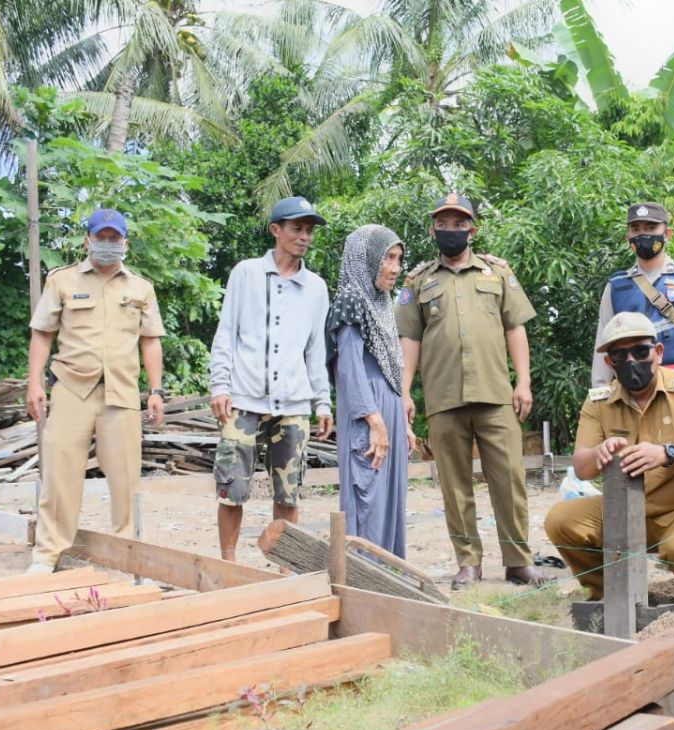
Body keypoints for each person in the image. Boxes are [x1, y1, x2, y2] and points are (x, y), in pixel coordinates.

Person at [396, 192, 549, 588]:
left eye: (458, 224)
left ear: (472, 229)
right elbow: (409, 339)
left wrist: (524, 381)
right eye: (443, 224)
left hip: (496, 394)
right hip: (443, 396)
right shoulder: (418, 281)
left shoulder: (497, 273)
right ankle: (469, 562)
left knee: (510, 480)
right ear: (433, 230)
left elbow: (516, 327)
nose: (450, 231)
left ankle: (518, 561)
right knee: (454, 484)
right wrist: (404, 392)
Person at [548, 312, 674, 623]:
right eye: (619, 354)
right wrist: (600, 453)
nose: (631, 360)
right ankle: (608, 594)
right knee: (561, 520)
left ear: (658, 353)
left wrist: (666, 453)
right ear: (609, 363)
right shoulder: (598, 403)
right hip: (626, 511)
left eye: (640, 351)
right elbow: (581, 466)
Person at [25, 209, 166, 573]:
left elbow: (151, 342)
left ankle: (126, 552)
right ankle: (47, 553)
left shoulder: (141, 288)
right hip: (72, 388)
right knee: (60, 474)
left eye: (114, 238)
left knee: (126, 479)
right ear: (87, 240)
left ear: (125, 243)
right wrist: (35, 382)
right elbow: (42, 333)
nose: (107, 244)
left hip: (121, 392)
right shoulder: (62, 281)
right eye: (100, 238)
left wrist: (156, 390)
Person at [209, 196, 333, 562]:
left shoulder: (316, 287)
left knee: (289, 492)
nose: (304, 237)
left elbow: (315, 350)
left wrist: (322, 401)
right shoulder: (246, 273)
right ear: (276, 230)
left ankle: (285, 567)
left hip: (293, 403)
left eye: (309, 230)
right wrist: (220, 385)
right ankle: (229, 564)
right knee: (232, 488)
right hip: (244, 399)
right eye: (297, 228)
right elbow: (226, 333)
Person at [325, 224, 412, 558]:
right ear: (367, 259)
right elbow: (348, 367)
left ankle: (390, 575)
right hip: (367, 413)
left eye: (399, 259)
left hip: (387, 410)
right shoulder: (350, 299)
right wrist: (374, 421)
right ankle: (366, 579)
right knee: (369, 497)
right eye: (388, 258)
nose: (395, 268)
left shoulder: (383, 303)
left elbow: (393, 367)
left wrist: (401, 420)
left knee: (391, 498)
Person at [591, 201, 674, 390]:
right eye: (636, 229)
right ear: (628, 237)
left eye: (651, 227)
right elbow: (603, 345)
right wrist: (600, 392)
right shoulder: (616, 287)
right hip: (631, 391)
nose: (643, 234)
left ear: (667, 234)